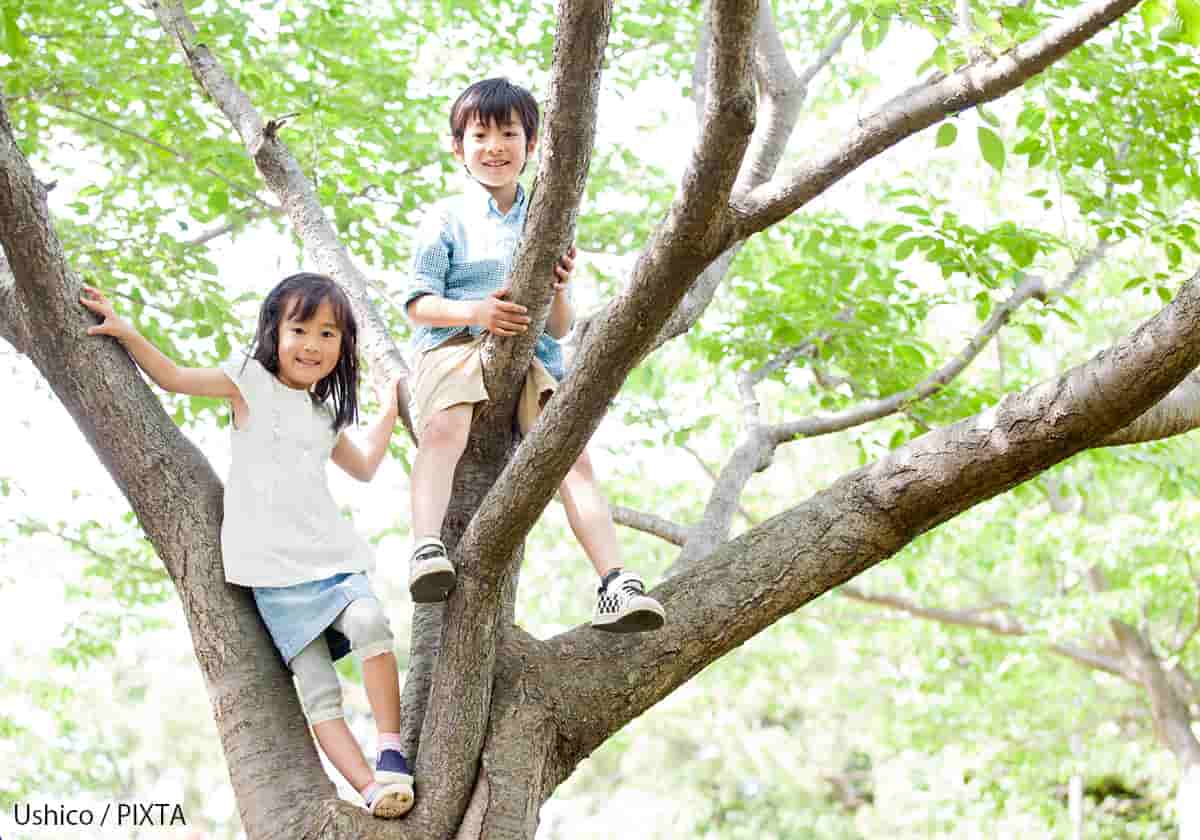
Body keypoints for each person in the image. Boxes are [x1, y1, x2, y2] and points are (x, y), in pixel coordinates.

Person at [81, 274, 415, 818]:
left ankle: (390, 750)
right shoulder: (248, 381)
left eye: (328, 334)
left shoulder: (324, 415)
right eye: (300, 329)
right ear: (274, 332)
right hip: (273, 573)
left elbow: (366, 466)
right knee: (317, 689)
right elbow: (171, 378)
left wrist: (387, 409)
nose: (312, 345)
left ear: (343, 346)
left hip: (329, 557)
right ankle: (372, 790)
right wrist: (126, 333)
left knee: (371, 623)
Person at [402, 77, 665, 632]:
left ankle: (616, 582)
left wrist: (560, 287)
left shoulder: (547, 217)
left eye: (508, 133)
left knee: (576, 459)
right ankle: (425, 547)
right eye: (480, 135)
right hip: (456, 345)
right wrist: (477, 312)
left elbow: (562, 326)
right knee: (444, 430)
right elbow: (418, 305)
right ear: (458, 147)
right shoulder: (445, 219)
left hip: (535, 357)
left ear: (533, 142)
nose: (494, 146)